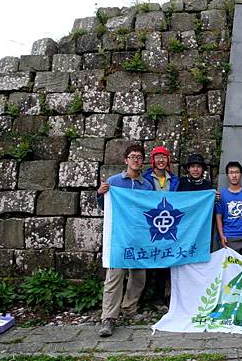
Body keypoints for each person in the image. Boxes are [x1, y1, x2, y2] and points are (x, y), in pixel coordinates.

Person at [96, 143, 153, 337]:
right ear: (126, 160)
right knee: (115, 277)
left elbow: (151, 210)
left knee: (138, 276)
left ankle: (129, 309)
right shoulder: (114, 182)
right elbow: (105, 207)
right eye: (133, 156)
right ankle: (109, 317)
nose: (136, 160)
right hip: (118, 237)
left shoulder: (147, 185)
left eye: (139, 157)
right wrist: (100, 194)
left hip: (139, 237)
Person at [141, 145, 178, 311]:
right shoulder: (144, 179)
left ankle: (159, 298)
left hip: (168, 225)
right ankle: (141, 299)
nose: (161, 160)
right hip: (149, 225)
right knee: (147, 263)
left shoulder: (175, 180)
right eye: (158, 157)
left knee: (164, 262)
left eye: (164, 157)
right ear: (153, 160)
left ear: (168, 160)